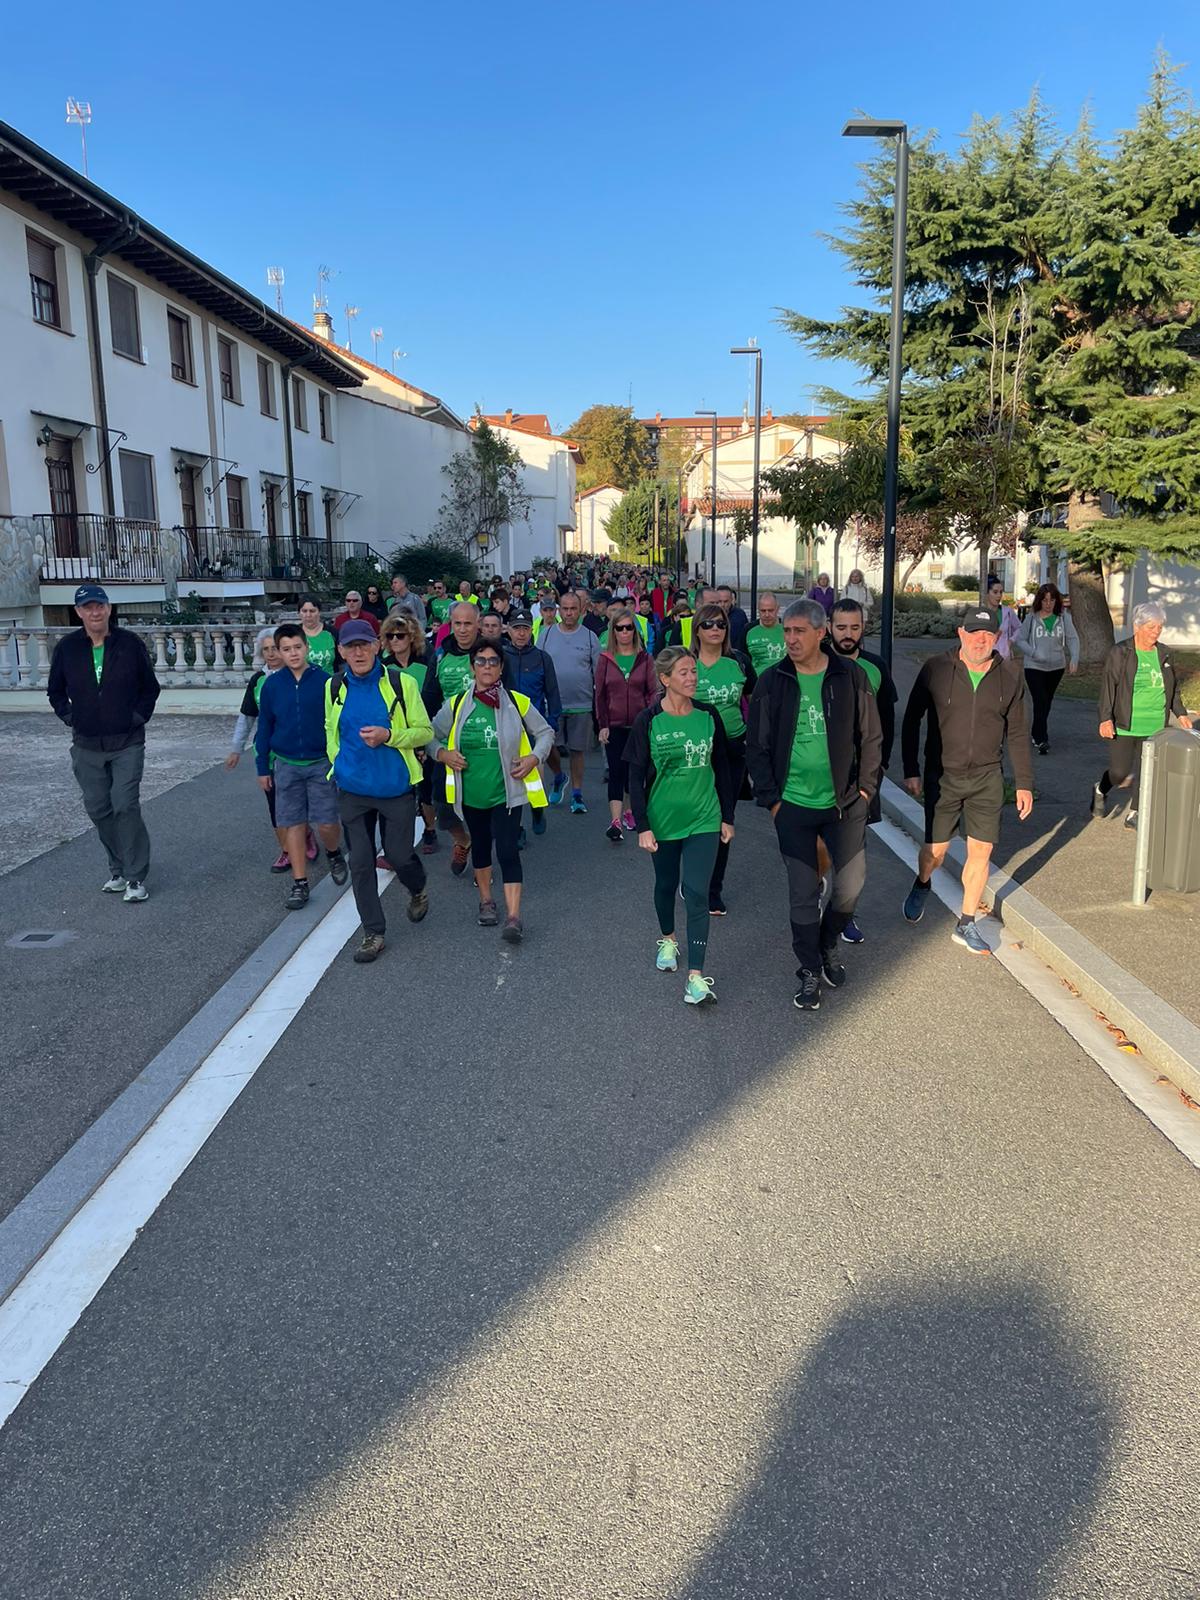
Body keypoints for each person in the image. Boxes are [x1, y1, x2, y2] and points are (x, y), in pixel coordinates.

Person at [746, 599, 882, 1011]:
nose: (790, 639)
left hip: (844, 804)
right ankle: (808, 970)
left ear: (821, 633)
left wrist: (865, 790)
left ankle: (827, 944)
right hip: (792, 807)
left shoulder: (850, 675)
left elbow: (871, 737)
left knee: (851, 883)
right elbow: (757, 745)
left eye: (799, 631)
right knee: (803, 892)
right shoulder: (773, 680)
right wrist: (772, 802)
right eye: (786, 632)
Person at [900, 608, 1034, 953]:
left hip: (987, 777)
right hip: (943, 775)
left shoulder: (1010, 676)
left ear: (998, 638)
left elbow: (1018, 732)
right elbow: (912, 718)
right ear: (961, 634)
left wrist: (1024, 782)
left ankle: (966, 922)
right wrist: (910, 768)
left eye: (988, 635)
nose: (980, 640)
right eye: (974, 633)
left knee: (981, 851)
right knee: (936, 852)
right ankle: (923, 881)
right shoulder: (937, 669)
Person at [626, 647, 735, 1006]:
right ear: (665, 679)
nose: (692, 678)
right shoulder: (649, 720)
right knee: (666, 884)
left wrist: (727, 816)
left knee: (697, 891)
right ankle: (669, 939)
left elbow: (723, 767)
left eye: (694, 672)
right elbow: (636, 774)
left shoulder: (709, 715)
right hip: (664, 820)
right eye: (684, 672)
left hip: (704, 817)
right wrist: (643, 825)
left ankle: (696, 977)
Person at [431, 637, 553, 943]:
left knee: (508, 850)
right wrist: (442, 754)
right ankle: (486, 901)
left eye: (493, 661)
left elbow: (545, 732)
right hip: (471, 794)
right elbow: (430, 735)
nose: (487, 667)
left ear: (501, 667)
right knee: (482, 847)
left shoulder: (517, 702)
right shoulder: (457, 704)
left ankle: (513, 917)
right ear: (472, 667)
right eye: (481, 661)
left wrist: (533, 757)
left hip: (507, 793)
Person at [46, 583, 161, 903]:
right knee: (98, 808)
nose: (95, 612)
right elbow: (55, 691)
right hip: (86, 743)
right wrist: (71, 717)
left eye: (100, 606)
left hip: (127, 741)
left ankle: (136, 876)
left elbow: (150, 688)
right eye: (88, 607)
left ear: (109, 608)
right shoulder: (67, 648)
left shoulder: (129, 643)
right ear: (79, 612)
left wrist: (136, 717)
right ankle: (119, 868)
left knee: (124, 804)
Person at [325, 620, 432, 963]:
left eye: (364, 645)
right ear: (340, 651)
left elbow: (424, 731)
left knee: (399, 856)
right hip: (352, 790)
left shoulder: (402, 683)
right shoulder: (333, 687)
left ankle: (417, 888)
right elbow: (331, 732)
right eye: (350, 646)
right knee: (359, 862)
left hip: (395, 787)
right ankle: (374, 932)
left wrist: (390, 736)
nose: (358, 652)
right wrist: (338, 766)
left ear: (376, 646)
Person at [254, 623, 349, 910]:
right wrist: (262, 767)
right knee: (293, 823)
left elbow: (340, 723)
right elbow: (264, 728)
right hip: (286, 764)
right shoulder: (272, 685)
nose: (293, 653)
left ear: (306, 647)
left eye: (297, 647)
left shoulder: (326, 681)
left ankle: (333, 853)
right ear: (279, 653)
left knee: (328, 821)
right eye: (286, 649)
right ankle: (300, 882)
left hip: (321, 762)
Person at [827, 598, 897, 943]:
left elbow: (887, 720)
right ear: (829, 627)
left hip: (862, 777)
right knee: (821, 848)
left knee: (855, 853)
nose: (848, 634)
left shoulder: (876, 667)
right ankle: (818, 892)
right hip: (820, 775)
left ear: (862, 628)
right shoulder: (816, 664)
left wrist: (880, 765)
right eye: (841, 627)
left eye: (854, 627)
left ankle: (845, 916)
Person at [1092, 601, 1194, 827]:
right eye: (1151, 627)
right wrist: (1105, 718)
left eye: (1159, 627)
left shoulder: (1164, 653)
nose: (1156, 632)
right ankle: (1101, 789)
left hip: (1155, 725)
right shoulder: (1121, 652)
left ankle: (1135, 814)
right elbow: (1109, 686)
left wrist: (1180, 713)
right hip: (1126, 723)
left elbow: (1172, 687)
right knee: (1120, 772)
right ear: (1137, 627)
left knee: (1146, 772)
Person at [225, 628, 317, 872]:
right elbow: (248, 717)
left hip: (299, 754)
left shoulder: (302, 677)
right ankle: (287, 850)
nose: (271, 654)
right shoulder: (259, 681)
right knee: (276, 806)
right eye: (265, 649)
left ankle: (304, 833)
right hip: (269, 753)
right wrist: (236, 749)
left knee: (299, 802)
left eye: (274, 648)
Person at [691, 602, 756, 914]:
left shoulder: (739, 662)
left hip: (732, 748)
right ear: (697, 630)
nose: (715, 629)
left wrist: (753, 735)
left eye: (721, 624)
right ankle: (692, 877)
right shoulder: (686, 662)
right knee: (696, 817)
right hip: (696, 751)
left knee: (724, 818)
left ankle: (713, 889)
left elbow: (755, 697)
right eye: (708, 624)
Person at [422, 601, 480, 874]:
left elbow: (511, 698)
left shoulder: (491, 653)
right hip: (448, 743)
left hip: (484, 741)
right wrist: (425, 741)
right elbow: (429, 699)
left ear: (477, 624)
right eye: (457, 623)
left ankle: (483, 862)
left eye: (468, 623)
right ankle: (462, 840)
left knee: (482, 807)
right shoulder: (441, 656)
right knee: (442, 803)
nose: (463, 629)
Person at [595, 608, 658, 843]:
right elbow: (600, 695)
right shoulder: (605, 659)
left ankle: (632, 811)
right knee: (616, 773)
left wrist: (650, 719)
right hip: (614, 724)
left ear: (635, 630)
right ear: (613, 631)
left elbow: (653, 692)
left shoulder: (645, 659)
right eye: (619, 628)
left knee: (636, 772)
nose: (624, 632)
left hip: (640, 725)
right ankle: (615, 821)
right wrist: (602, 724)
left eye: (628, 627)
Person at [379, 612, 438, 852]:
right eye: (390, 636)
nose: (395, 640)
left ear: (411, 637)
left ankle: (430, 829)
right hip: (397, 734)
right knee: (400, 790)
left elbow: (434, 698)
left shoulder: (426, 661)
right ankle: (398, 842)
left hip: (424, 729)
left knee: (425, 787)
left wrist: (423, 742)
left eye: (400, 635)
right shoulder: (384, 667)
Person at [503, 609, 562, 840]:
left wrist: (552, 721)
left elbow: (552, 691)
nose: (520, 633)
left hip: (533, 728)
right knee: (510, 780)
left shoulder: (542, 658)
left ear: (531, 631)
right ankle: (516, 829)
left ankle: (538, 811)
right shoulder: (500, 656)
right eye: (516, 628)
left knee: (533, 779)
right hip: (506, 726)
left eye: (525, 628)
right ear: (508, 630)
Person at [540, 591, 600, 814]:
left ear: (581, 610)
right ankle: (558, 776)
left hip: (581, 703)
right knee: (548, 748)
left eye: (573, 608)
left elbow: (598, 672)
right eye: (564, 608)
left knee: (577, 750)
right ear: (558, 610)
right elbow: (539, 668)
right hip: (552, 704)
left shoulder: (589, 637)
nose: (568, 613)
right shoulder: (545, 635)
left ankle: (577, 794)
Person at [1014, 582, 1080, 753]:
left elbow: (1072, 638)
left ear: (1056, 601)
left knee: (1046, 702)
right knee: (1040, 700)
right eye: (1044, 600)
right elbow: (1020, 639)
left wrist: (1074, 658)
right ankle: (1041, 738)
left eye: (1051, 600)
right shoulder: (1031, 618)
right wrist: (1033, 652)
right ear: (1039, 601)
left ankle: (1037, 732)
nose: (1048, 604)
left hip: (1056, 667)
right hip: (1034, 666)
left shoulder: (1064, 617)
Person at [744, 592, 786, 678]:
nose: (767, 615)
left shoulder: (788, 628)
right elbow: (742, 660)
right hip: (758, 683)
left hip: (785, 681)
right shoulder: (748, 630)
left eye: (770, 610)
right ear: (758, 610)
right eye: (763, 611)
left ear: (777, 609)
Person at [983, 575, 1021, 659]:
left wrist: (1011, 641)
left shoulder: (1008, 612)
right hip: (985, 659)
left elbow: (1019, 628)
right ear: (987, 593)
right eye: (995, 592)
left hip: (1004, 658)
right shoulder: (981, 613)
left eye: (1001, 592)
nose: (999, 596)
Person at [298, 595, 337, 673]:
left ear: (319, 612)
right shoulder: (294, 633)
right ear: (299, 613)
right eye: (304, 611)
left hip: (330, 682)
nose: (308, 615)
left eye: (312, 611)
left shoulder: (332, 632)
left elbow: (341, 663)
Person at [716, 585, 750, 652]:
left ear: (731, 600)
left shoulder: (740, 615)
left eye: (726, 601)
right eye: (719, 601)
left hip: (736, 655)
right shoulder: (710, 615)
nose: (722, 605)